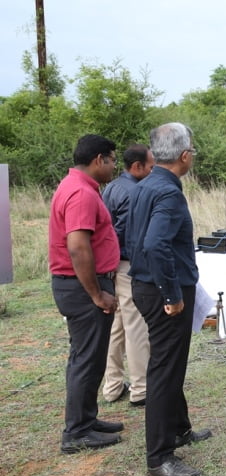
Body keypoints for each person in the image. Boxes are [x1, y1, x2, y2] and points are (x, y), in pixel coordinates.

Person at [127, 123, 211, 476]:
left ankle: (179, 428)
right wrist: (172, 294)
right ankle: (160, 456)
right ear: (184, 155)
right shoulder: (167, 193)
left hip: (146, 283)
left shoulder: (145, 185)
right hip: (162, 290)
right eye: (192, 149)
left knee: (171, 364)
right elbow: (154, 244)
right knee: (164, 370)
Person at [49, 134, 122, 454]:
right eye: (112, 159)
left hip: (80, 285)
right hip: (82, 288)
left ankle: (86, 420)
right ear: (98, 160)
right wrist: (96, 294)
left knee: (88, 358)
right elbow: (78, 247)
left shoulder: (78, 187)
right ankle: (77, 432)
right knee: (85, 359)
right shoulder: (80, 193)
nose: (114, 166)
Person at [101, 144, 154, 407]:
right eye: (151, 167)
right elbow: (133, 236)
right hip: (128, 265)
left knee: (117, 326)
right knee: (136, 326)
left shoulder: (110, 187)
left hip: (111, 265)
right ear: (137, 167)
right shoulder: (136, 192)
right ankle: (141, 388)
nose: (153, 171)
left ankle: (111, 386)